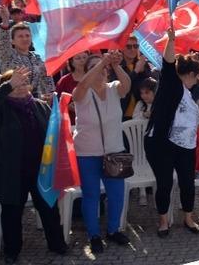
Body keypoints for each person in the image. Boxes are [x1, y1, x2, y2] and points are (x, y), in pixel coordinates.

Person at [0, 67, 67, 264]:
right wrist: (8, 85)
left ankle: (57, 243)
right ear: (5, 88)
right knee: (11, 212)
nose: (20, 87)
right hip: (11, 172)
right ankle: (12, 250)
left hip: (40, 170)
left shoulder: (39, 106)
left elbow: (53, 135)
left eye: (23, 83)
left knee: (49, 208)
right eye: (14, 84)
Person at [144, 25, 199, 237]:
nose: (197, 81)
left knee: (187, 181)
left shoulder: (188, 91)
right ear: (189, 74)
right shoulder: (172, 84)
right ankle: (163, 220)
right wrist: (171, 40)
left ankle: (188, 217)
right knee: (165, 182)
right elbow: (168, 63)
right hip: (162, 143)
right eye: (196, 76)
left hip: (186, 145)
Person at [72, 52, 132, 253]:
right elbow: (81, 88)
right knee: (91, 195)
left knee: (116, 195)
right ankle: (94, 234)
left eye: (102, 67)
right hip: (87, 152)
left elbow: (127, 84)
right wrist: (101, 63)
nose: (100, 69)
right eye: (94, 67)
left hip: (114, 151)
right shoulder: (81, 92)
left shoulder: (114, 89)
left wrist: (115, 65)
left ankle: (113, 230)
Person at [0, 5, 54, 100]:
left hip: (34, 101)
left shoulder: (38, 57)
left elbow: (47, 78)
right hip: (13, 99)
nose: (25, 39)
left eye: (27, 36)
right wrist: (5, 21)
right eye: (20, 36)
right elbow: (4, 41)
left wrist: (50, 94)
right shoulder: (7, 55)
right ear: (12, 41)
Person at [117, 37, 153, 120]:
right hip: (123, 112)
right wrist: (136, 71)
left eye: (135, 46)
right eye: (129, 47)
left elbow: (150, 85)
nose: (132, 49)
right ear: (122, 48)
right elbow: (121, 85)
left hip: (141, 112)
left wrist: (143, 71)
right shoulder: (117, 65)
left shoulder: (142, 63)